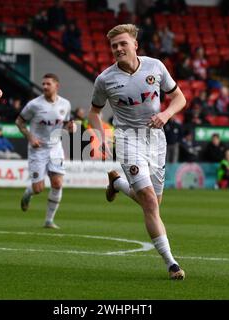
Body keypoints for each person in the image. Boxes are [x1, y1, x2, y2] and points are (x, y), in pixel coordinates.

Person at [87, 24, 187, 280]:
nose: (118, 49)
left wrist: (165, 114)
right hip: (127, 139)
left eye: (122, 43)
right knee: (150, 202)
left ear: (135, 45)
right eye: (114, 46)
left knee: (153, 202)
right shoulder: (105, 79)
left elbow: (179, 98)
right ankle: (171, 264)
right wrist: (102, 139)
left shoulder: (155, 67)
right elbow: (94, 113)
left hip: (155, 140)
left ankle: (118, 183)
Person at [16, 73, 76, 229]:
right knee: (38, 189)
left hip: (55, 148)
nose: (44, 87)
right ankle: (28, 194)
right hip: (38, 150)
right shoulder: (34, 105)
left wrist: (71, 128)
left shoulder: (65, 104)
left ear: (57, 86)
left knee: (57, 183)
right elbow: (19, 122)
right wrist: (30, 137)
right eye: (43, 84)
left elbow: (67, 124)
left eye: (48, 84)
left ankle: (49, 221)